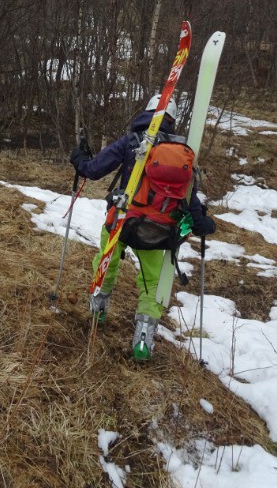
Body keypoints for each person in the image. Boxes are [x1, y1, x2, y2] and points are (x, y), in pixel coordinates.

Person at [69, 95, 216, 360]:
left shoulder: (131, 142)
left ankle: (97, 313)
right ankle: (143, 343)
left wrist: (78, 158)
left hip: (121, 222)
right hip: (158, 233)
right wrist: (203, 224)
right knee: (151, 284)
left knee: (107, 263)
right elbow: (189, 199)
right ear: (172, 120)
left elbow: (92, 170)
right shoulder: (182, 154)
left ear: (146, 113)